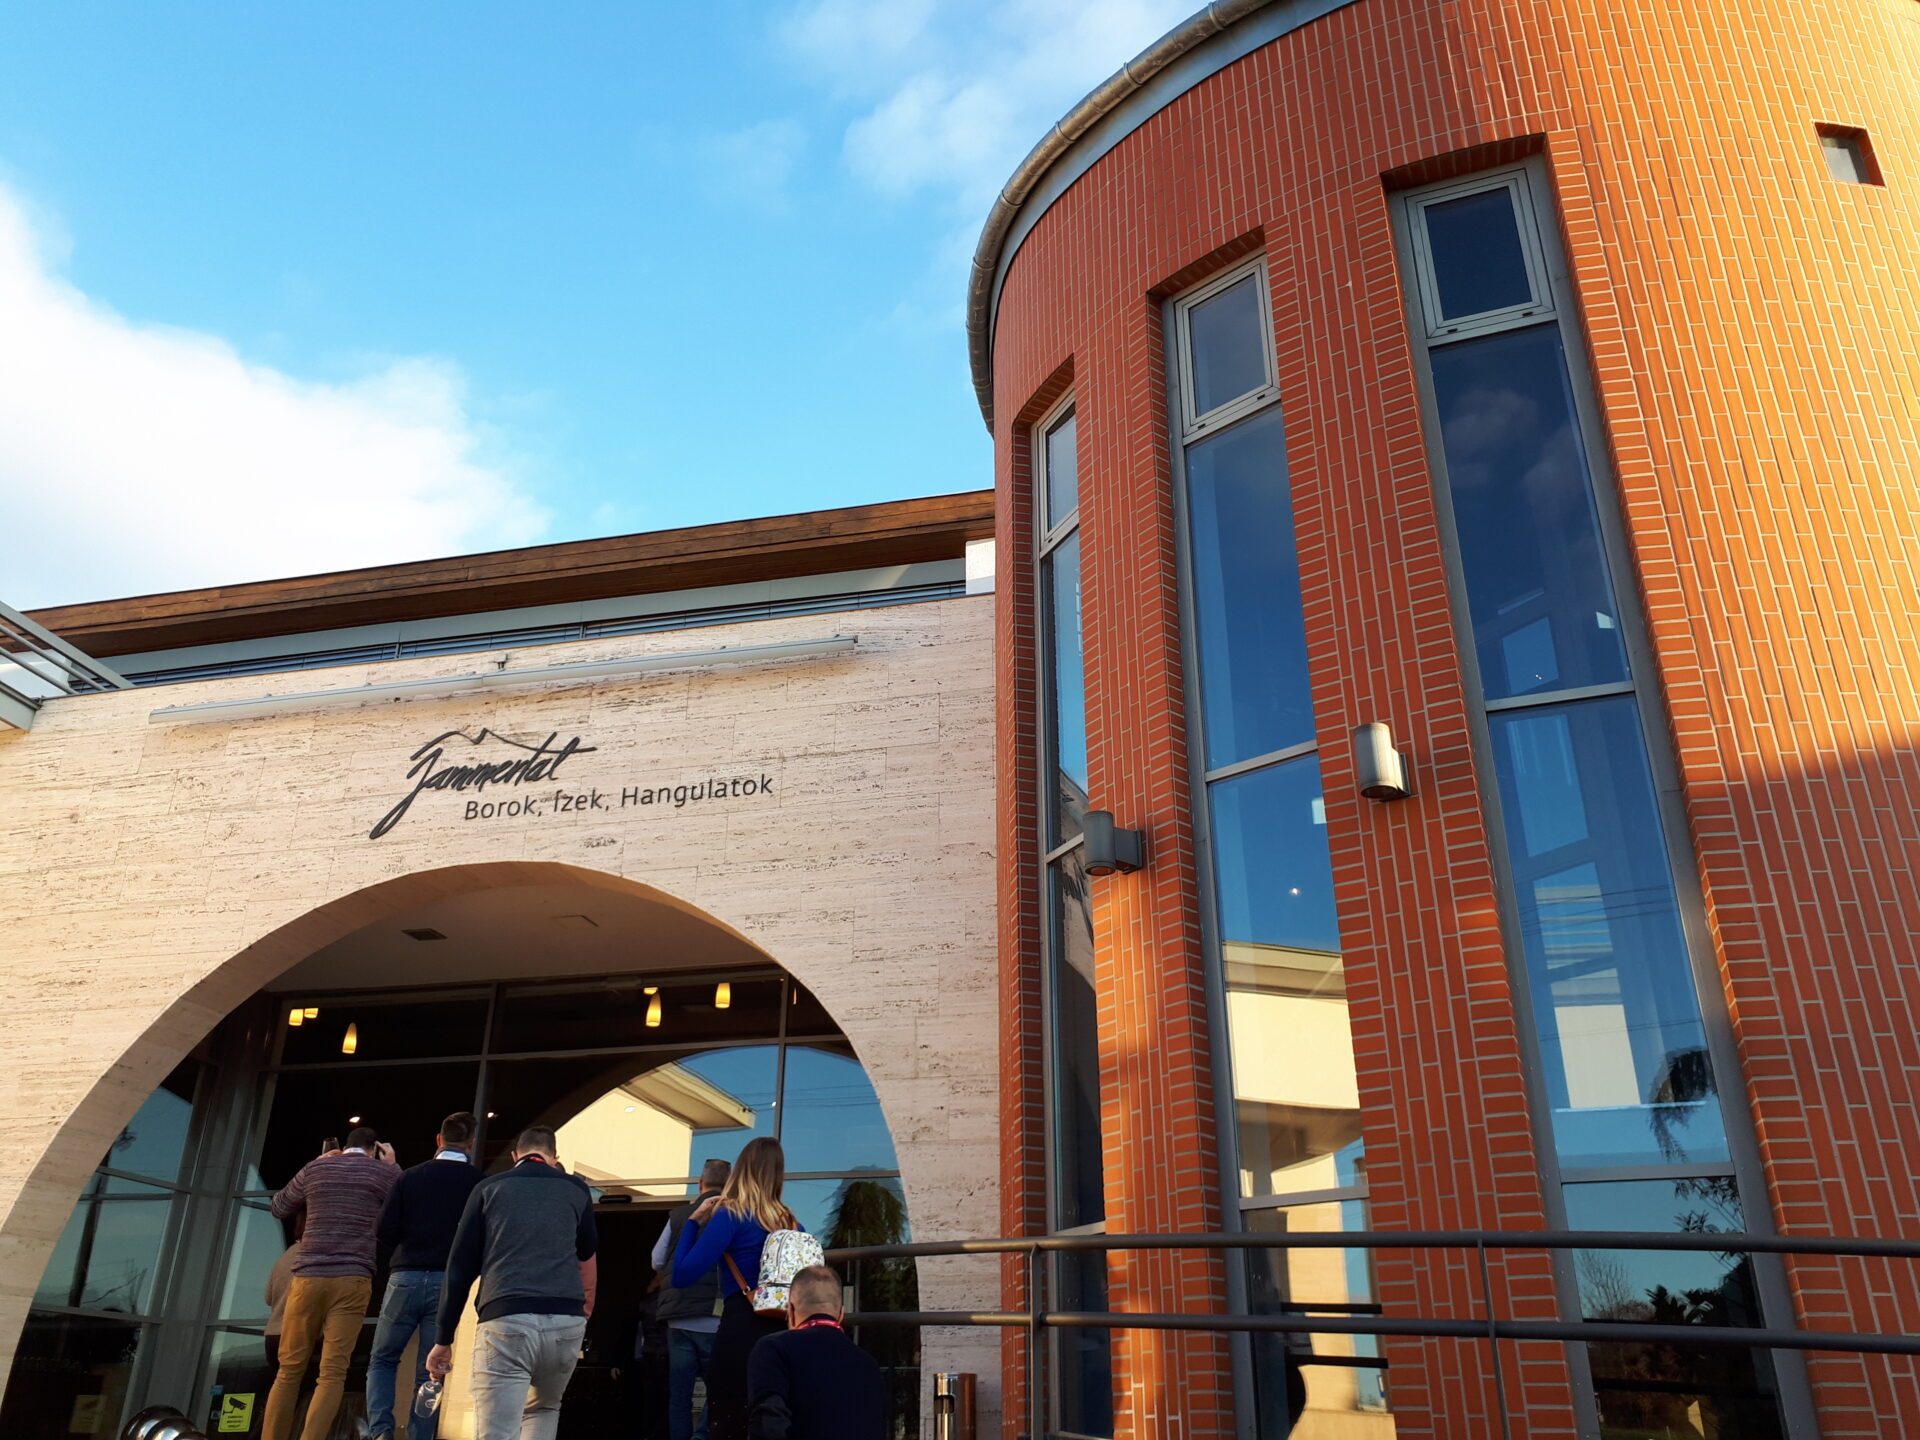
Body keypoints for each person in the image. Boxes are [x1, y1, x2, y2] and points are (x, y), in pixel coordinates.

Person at [426, 1125, 599, 1440]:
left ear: (515, 1155)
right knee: (543, 1409)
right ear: (554, 1157)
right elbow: (587, 1248)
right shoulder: (576, 1189)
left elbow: (460, 1268)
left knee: (497, 1431)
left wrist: (444, 1337)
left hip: (507, 1315)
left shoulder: (489, 1188)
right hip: (565, 1321)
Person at [263, 1126, 402, 1440]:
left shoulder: (317, 1168)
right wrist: (393, 1166)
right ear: (374, 1149)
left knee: (288, 1371)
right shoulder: (382, 1172)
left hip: (308, 1278)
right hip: (352, 1278)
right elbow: (406, 1206)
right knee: (332, 1373)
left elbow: (279, 1206)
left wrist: (314, 1164)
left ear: (346, 1146)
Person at [365, 1110, 484, 1440]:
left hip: (405, 1277)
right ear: (471, 1143)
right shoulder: (479, 1183)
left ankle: (380, 1432)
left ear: (439, 1139)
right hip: (448, 1284)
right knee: (431, 1370)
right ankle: (420, 1435)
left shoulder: (410, 1177)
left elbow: (383, 1230)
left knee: (383, 1360)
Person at [671, 1138, 795, 1440]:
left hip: (740, 1327)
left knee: (729, 1421)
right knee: (771, 1421)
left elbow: (682, 1275)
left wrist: (693, 1222)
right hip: (783, 1331)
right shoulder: (792, 1223)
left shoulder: (732, 1216)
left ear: (742, 1170)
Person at [746, 1266, 885, 1440]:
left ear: (790, 1310)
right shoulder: (869, 1366)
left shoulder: (774, 1349)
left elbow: (767, 1426)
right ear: (841, 1313)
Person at [652, 1157, 731, 1440]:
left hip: (678, 1317)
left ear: (700, 1184)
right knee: (718, 1389)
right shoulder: (732, 1216)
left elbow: (657, 1259)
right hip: (715, 1317)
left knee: (680, 1394)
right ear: (730, 1186)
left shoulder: (680, 1215)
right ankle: (701, 1436)